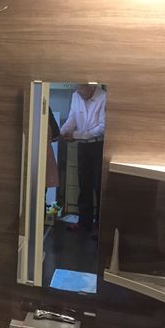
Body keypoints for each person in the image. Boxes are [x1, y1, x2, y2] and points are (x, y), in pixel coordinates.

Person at [60, 84, 106, 233]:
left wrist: (76, 135)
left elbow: (102, 128)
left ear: (92, 86)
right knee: (84, 185)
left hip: (99, 145)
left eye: (82, 89)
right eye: (78, 88)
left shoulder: (104, 97)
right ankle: (84, 223)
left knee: (99, 186)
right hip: (83, 146)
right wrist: (62, 132)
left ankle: (100, 226)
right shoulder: (76, 96)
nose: (79, 92)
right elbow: (72, 118)